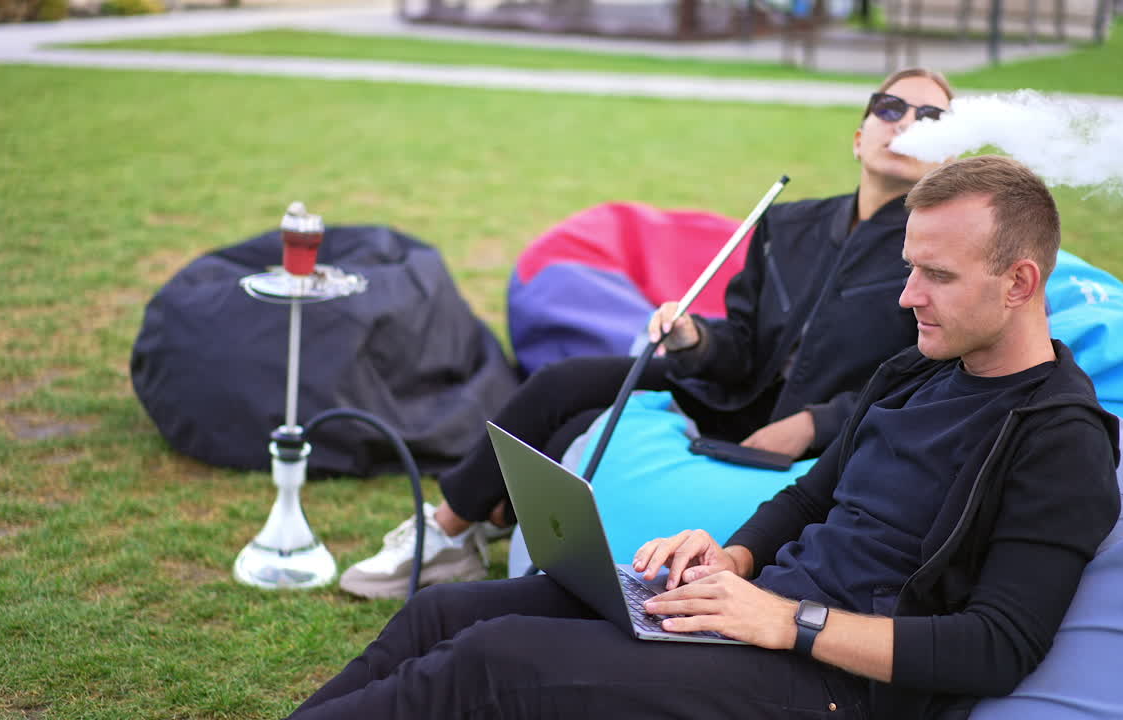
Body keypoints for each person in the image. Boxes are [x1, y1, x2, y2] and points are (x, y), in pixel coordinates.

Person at [285, 155, 1121, 720]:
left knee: (492, 662)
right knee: (444, 614)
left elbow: (997, 647)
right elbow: (810, 495)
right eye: (908, 267)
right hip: (753, 613)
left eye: (935, 275)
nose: (907, 296)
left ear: (1020, 282)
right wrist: (734, 561)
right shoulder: (914, 372)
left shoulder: (1059, 438)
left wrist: (785, 621)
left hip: (832, 685)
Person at [339, 68, 957, 599]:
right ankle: (447, 530)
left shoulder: (936, 253)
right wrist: (694, 340)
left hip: (827, 435)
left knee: (566, 433)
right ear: (858, 137)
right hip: (736, 395)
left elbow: (921, 375)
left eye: (930, 115)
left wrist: (812, 426)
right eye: (890, 107)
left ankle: (487, 517)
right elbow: (740, 343)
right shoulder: (789, 222)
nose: (905, 122)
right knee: (565, 386)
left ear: (947, 153)